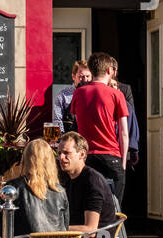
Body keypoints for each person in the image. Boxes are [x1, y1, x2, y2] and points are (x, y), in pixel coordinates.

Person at [68, 52, 129, 202]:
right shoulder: (116, 94)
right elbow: (123, 132)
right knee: (114, 208)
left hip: (87, 157)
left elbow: (75, 119)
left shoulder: (79, 93)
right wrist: (123, 162)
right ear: (109, 70)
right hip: (111, 156)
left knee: (88, 204)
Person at [58, 132, 117, 238]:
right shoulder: (67, 177)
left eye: (66, 153)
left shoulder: (92, 181)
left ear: (81, 154)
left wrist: (57, 229)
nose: (61, 157)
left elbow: (91, 229)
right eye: (59, 153)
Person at [108, 56, 141, 200]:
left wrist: (133, 150)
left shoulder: (124, 89)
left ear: (114, 71)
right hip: (109, 144)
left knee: (118, 188)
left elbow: (130, 116)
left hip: (122, 142)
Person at [51, 60, 91, 130]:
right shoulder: (63, 96)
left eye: (87, 76)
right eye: (81, 77)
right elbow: (57, 121)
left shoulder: (95, 94)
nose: (85, 80)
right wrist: (62, 138)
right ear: (73, 76)